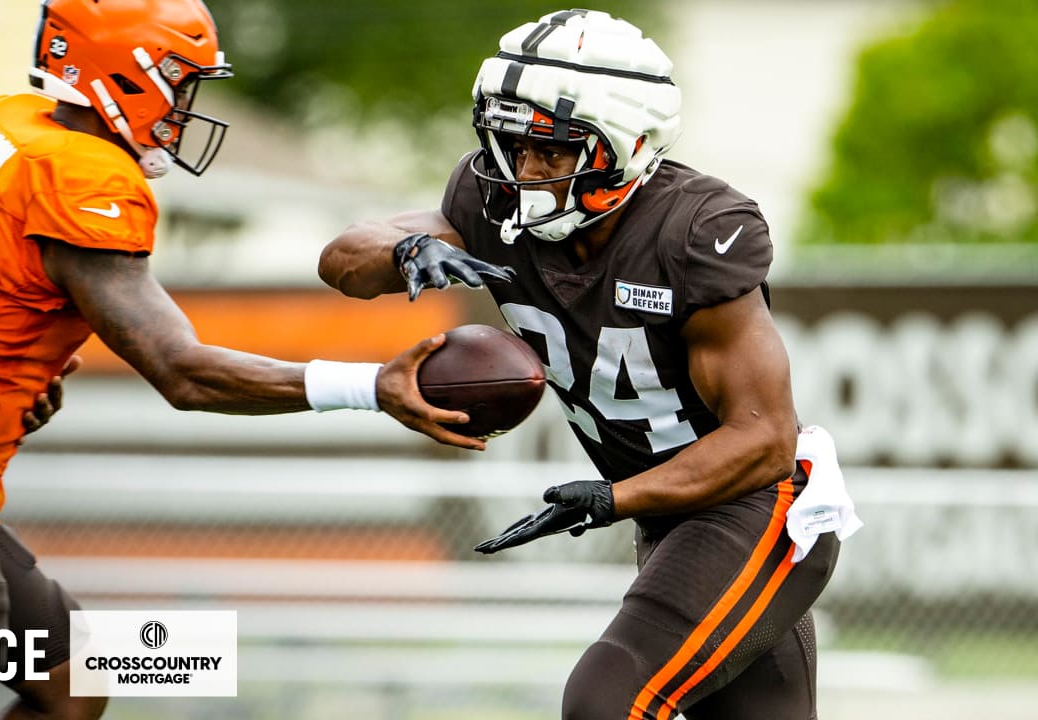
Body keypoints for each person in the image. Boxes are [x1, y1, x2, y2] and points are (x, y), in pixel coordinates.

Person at [0, 1, 495, 718]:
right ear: (121, 74)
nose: (185, 103)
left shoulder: (9, 120)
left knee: (77, 688)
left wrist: (9, 377)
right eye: (177, 79)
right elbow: (182, 372)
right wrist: (371, 387)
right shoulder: (86, 177)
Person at [319, 9, 860, 720]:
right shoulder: (489, 202)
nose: (524, 172)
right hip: (677, 518)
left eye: (553, 152)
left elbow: (762, 441)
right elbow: (343, 258)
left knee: (607, 699)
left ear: (627, 147)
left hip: (762, 509)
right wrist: (406, 251)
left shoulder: (695, 229)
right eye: (511, 145)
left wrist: (612, 498)